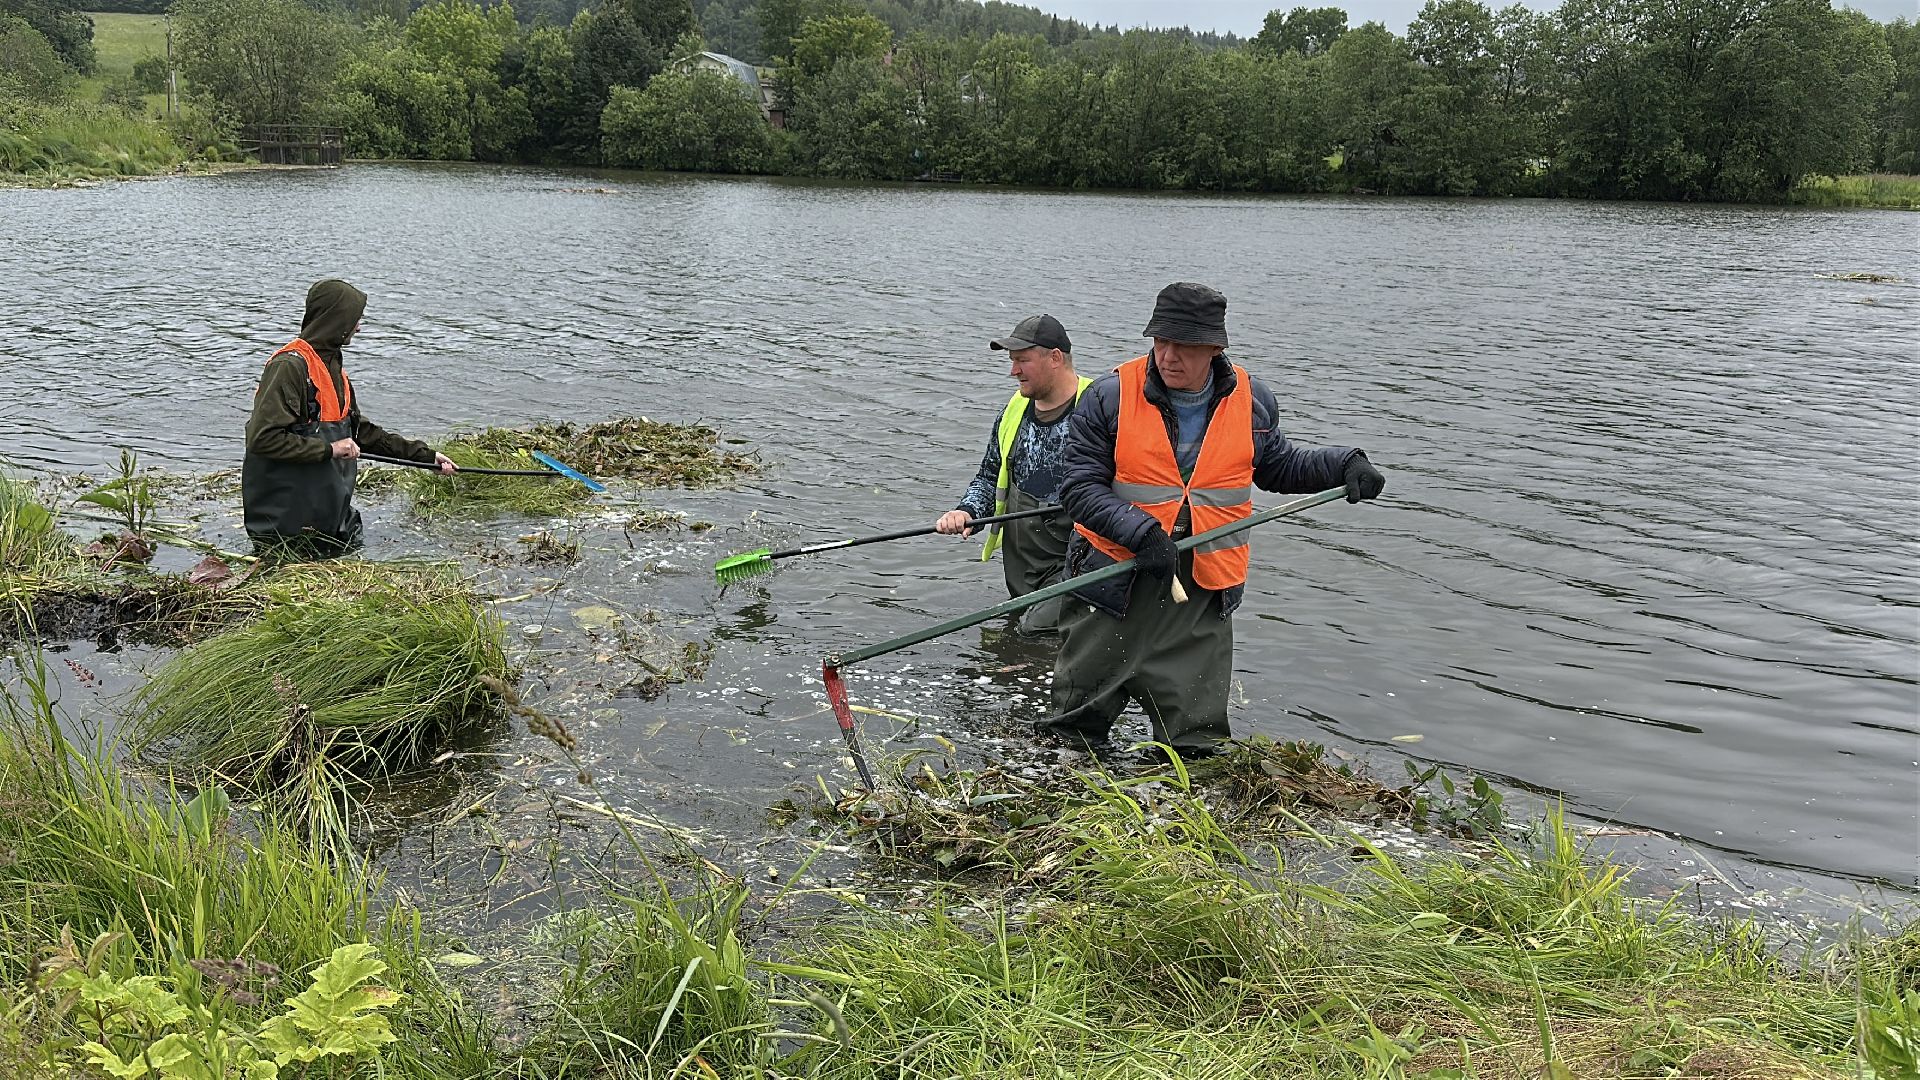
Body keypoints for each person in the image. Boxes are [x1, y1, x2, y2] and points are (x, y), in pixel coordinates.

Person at [1047, 282, 1386, 757]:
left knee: (1196, 740)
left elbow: (1278, 466)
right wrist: (1140, 532)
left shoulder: (1252, 400)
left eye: (1183, 345)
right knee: (1074, 731)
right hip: (1113, 578)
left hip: (1203, 587)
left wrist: (1344, 464)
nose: (1168, 356)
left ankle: (1180, 806)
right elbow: (1079, 488)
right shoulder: (1109, 397)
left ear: (1214, 347)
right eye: (1160, 342)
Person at [242, 279, 454, 559]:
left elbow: (361, 433)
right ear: (337, 320)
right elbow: (262, 439)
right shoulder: (288, 368)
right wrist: (331, 449)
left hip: (329, 520)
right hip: (286, 527)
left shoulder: (335, 370)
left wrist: (425, 458)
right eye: (355, 319)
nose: (359, 326)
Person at [935, 314, 1093, 634]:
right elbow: (989, 476)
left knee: (1031, 633)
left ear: (1055, 358)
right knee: (1016, 644)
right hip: (1023, 573)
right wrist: (966, 511)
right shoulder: (1014, 410)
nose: (1013, 371)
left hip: (1077, 571)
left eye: (1022, 360)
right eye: (1012, 360)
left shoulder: (1098, 408)